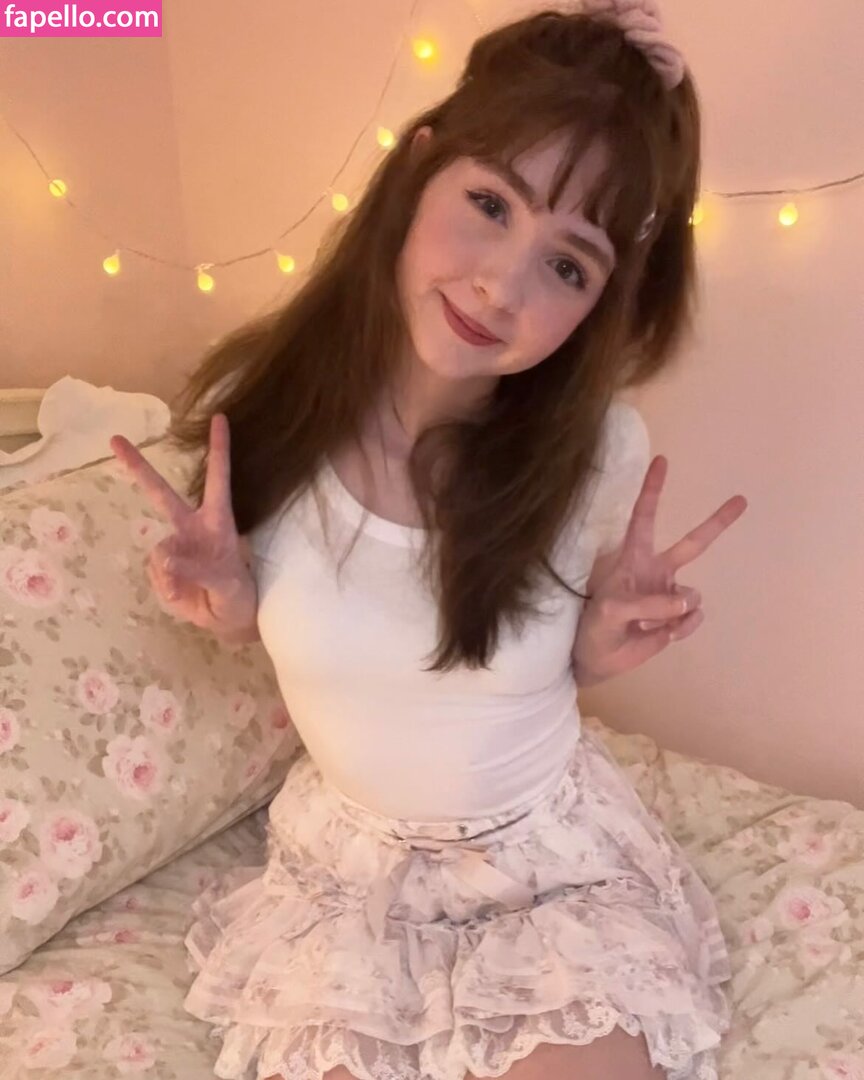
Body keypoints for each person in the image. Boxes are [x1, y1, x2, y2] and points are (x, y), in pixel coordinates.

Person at [110, 4, 749, 1078]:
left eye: (569, 266)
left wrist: (599, 643)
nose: (501, 285)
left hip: (548, 869)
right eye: (490, 204)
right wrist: (230, 606)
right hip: (351, 882)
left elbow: (527, 666)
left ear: (598, 306)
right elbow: (312, 634)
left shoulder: (599, 455)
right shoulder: (263, 411)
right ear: (417, 173)